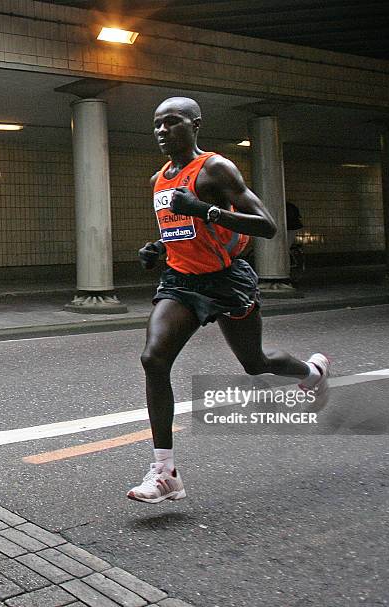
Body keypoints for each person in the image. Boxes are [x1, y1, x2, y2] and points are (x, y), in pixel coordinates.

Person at [128, 97, 330, 503]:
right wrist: (157, 251)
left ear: (195, 124)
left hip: (227, 282)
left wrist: (208, 211)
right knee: (154, 359)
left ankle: (312, 371)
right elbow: (180, 235)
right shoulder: (159, 179)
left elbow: (269, 226)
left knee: (255, 364)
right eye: (156, 125)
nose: (162, 131)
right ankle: (165, 472)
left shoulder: (216, 168)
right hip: (182, 283)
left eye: (172, 122)